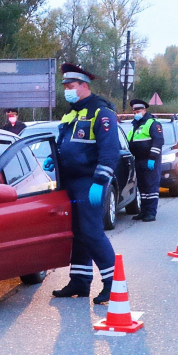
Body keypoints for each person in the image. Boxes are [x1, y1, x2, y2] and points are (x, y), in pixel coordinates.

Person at [47, 63, 119, 305]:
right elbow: (64, 143)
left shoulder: (102, 112)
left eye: (71, 85)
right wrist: (53, 158)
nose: (67, 89)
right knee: (78, 233)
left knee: (91, 233)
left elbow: (110, 151)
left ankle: (113, 284)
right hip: (71, 181)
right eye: (65, 86)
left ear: (84, 86)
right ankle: (79, 281)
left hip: (90, 182)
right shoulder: (71, 113)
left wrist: (100, 181)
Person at [126, 99, 164, 222]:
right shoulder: (135, 125)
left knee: (151, 186)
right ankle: (143, 211)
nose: (135, 112)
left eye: (138, 110)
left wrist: (152, 158)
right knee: (142, 187)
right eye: (134, 110)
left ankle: (151, 213)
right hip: (139, 160)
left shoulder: (152, 123)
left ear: (144, 110)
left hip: (150, 160)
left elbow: (158, 141)